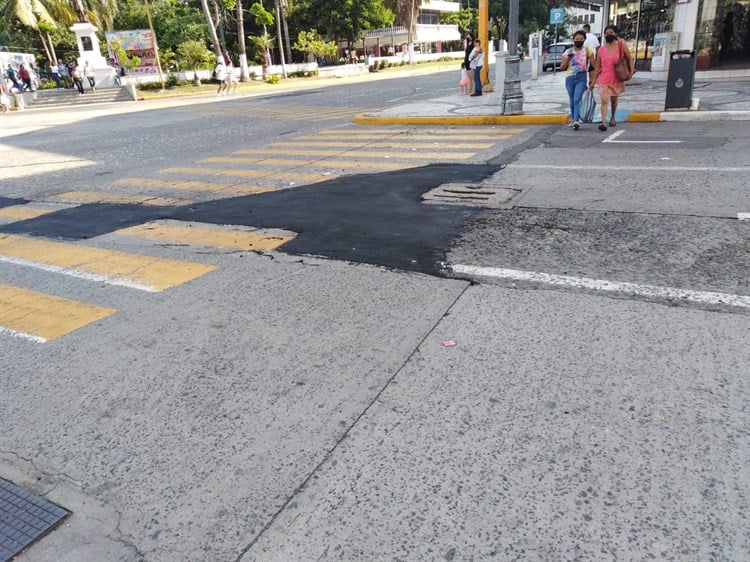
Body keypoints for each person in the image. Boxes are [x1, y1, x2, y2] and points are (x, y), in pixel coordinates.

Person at [591, 24, 633, 131]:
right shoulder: (601, 50)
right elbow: (598, 66)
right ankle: (604, 123)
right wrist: (593, 81)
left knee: (614, 100)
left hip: (616, 78)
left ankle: (613, 117)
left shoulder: (621, 45)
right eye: (606, 33)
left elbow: (629, 58)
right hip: (603, 78)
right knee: (604, 100)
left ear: (615, 34)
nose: (608, 35)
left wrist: (631, 72)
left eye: (611, 33)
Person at [560, 30, 596, 130]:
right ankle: (573, 119)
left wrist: (593, 80)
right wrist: (568, 59)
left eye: (581, 39)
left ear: (584, 39)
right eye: (576, 39)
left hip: (581, 77)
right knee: (572, 100)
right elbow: (562, 67)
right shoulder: (568, 52)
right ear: (573, 40)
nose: (578, 41)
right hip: (570, 78)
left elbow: (593, 66)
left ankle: (576, 120)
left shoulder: (588, 51)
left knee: (577, 99)